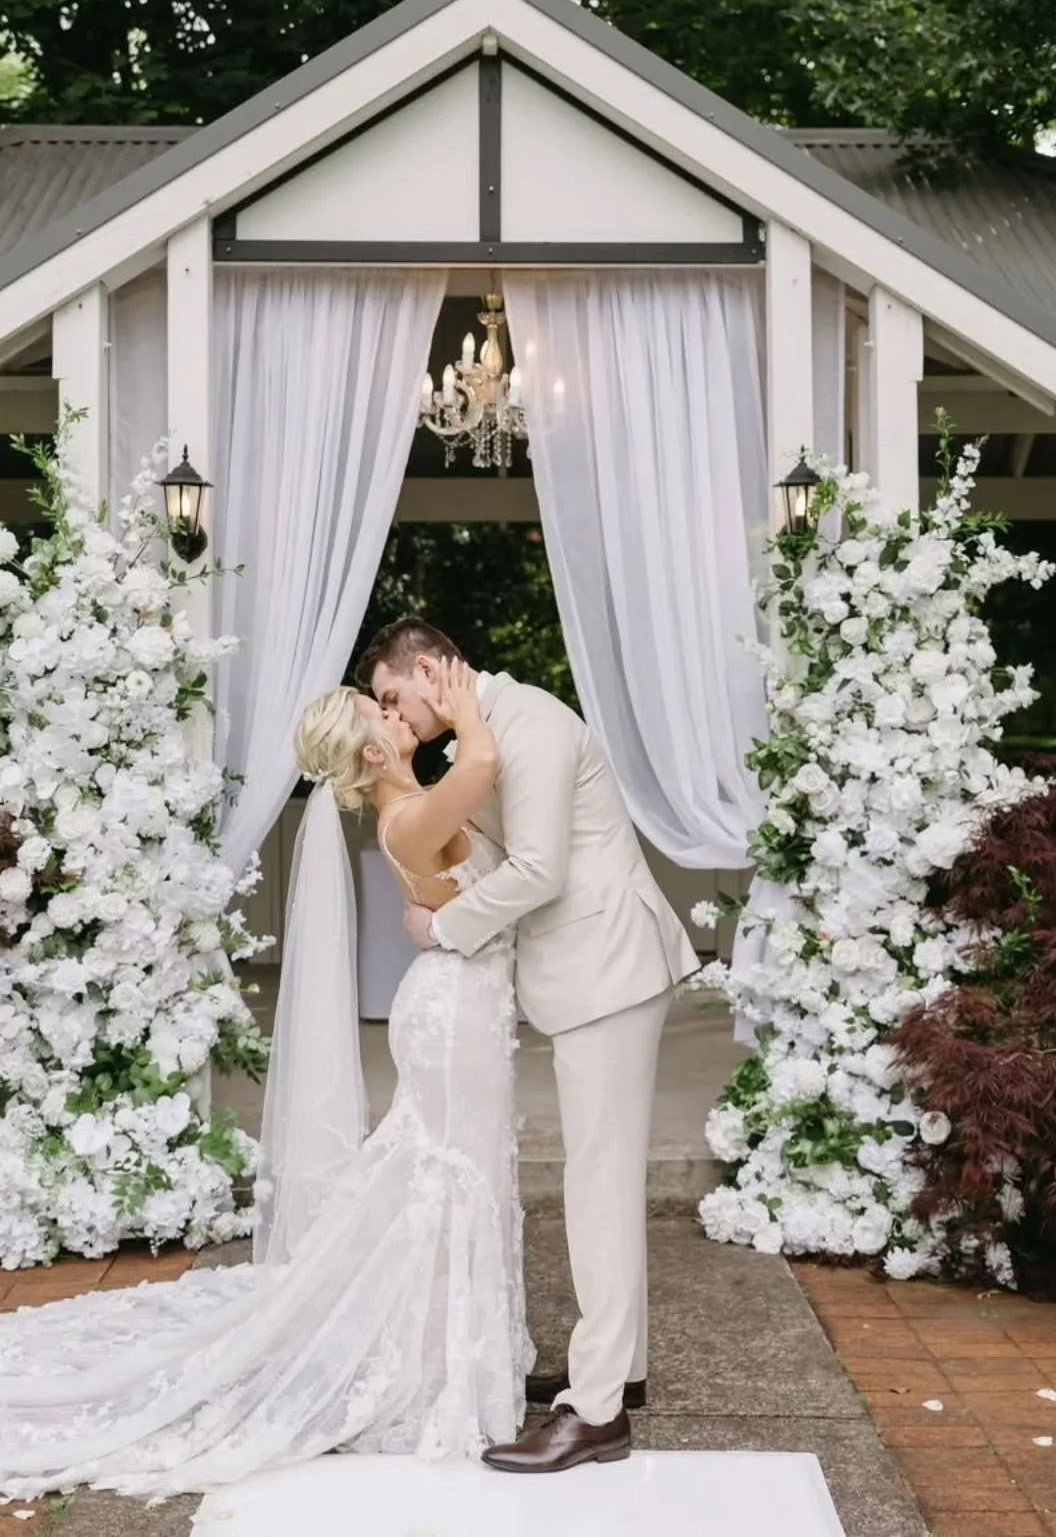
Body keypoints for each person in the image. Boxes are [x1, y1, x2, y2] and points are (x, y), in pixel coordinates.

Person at [0, 662, 533, 1502]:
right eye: (376, 710)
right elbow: (485, 766)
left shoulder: (417, 801)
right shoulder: (410, 816)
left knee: (454, 1173)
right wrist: (466, 704)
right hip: (453, 1016)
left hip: (468, 1006)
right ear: (373, 756)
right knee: (450, 1175)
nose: (393, 711)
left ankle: (446, 1354)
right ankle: (435, 1369)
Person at [360, 619, 699, 1475]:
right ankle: (615, 1372)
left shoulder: (533, 723)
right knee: (601, 1174)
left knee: (598, 1182)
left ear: (432, 669)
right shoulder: (485, 734)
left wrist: (443, 927)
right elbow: (504, 852)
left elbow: (541, 869)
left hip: (610, 965)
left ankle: (595, 1415)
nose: (390, 712)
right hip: (587, 969)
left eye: (393, 695)